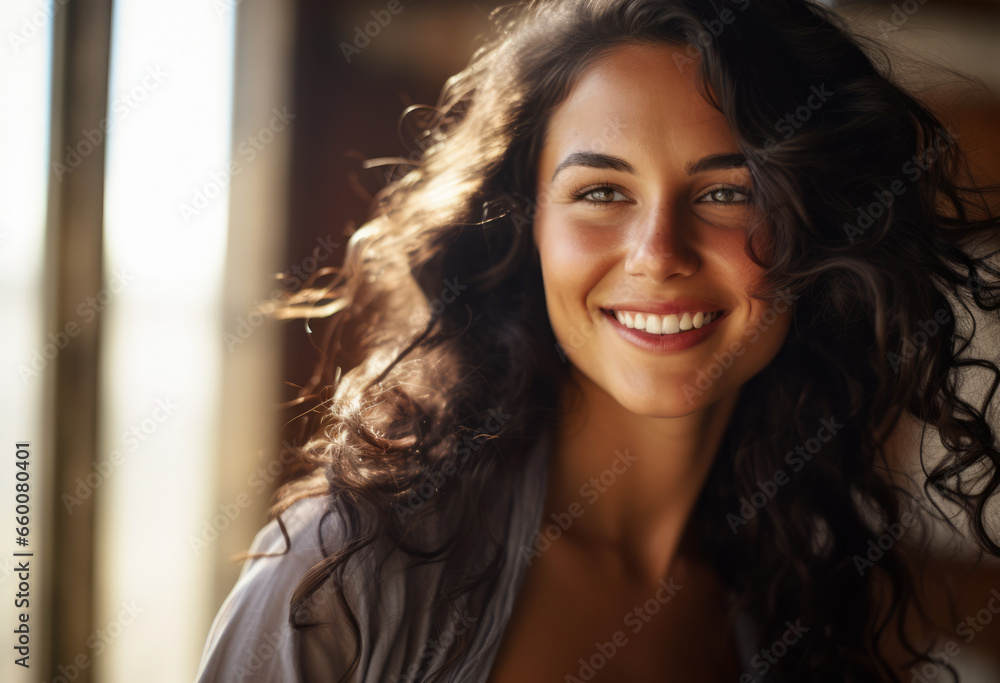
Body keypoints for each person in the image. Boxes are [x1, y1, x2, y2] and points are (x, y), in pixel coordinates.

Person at [196, 0, 1000, 681]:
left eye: (726, 191)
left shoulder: (808, 591)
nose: (658, 252)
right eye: (602, 191)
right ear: (527, 225)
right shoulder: (346, 571)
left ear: (818, 230)